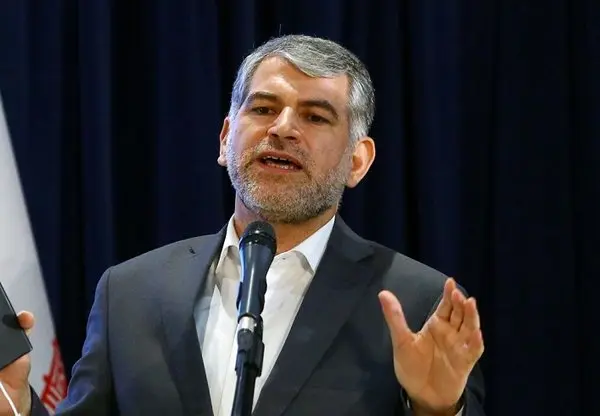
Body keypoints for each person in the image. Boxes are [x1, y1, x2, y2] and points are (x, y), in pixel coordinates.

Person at [0, 34, 486, 415]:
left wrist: (437, 409)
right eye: (263, 108)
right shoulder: (129, 293)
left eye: (315, 117)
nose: (282, 128)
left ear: (357, 161)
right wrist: (16, 404)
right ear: (226, 138)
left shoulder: (419, 304)